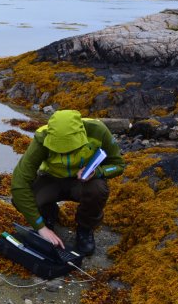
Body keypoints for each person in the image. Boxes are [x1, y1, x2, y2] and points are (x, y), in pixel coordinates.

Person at [11, 109, 125, 255]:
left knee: (98, 189)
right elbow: (19, 183)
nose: (65, 153)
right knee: (21, 198)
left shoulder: (98, 130)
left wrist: (97, 172)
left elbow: (119, 165)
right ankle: (48, 215)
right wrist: (40, 227)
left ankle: (85, 229)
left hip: (83, 183)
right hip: (51, 180)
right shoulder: (42, 137)